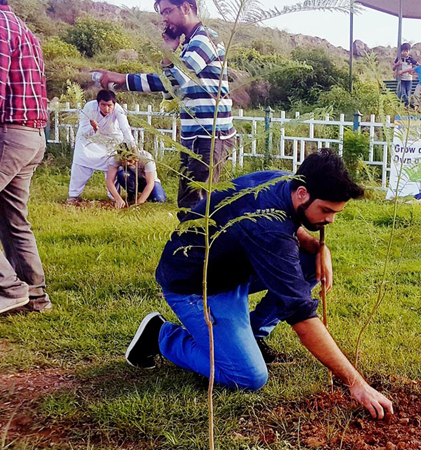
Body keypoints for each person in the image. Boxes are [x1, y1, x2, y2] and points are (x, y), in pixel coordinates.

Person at [125, 149, 394, 419]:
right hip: (197, 284)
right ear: (302, 193)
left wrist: (318, 247)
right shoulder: (268, 230)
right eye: (325, 210)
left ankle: (252, 334)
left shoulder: (284, 182)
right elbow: (302, 317)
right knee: (247, 376)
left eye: (336, 212)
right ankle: (160, 335)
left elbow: (285, 221)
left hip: (232, 266)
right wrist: (357, 383)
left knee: (309, 261)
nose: (330, 220)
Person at [92, 0, 235, 219]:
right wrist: (168, 53)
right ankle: (189, 249)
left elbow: (176, 79)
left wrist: (123, 79)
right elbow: (171, 93)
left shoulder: (206, 39)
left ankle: (200, 251)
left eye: (168, 11)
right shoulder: (189, 45)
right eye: (162, 14)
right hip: (194, 136)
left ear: (186, 7)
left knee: (197, 207)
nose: (164, 18)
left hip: (211, 135)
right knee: (188, 203)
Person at [0, 0, 51, 316]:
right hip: (31, 136)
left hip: (8, 134)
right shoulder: (20, 26)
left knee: (12, 218)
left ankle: (9, 288)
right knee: (12, 219)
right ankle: (35, 298)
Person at [67, 90, 135, 203]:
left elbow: (125, 128)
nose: (106, 109)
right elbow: (83, 129)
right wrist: (93, 129)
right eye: (103, 105)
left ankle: (114, 196)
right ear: (98, 103)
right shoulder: (89, 107)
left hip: (111, 139)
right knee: (80, 160)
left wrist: (133, 147)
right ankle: (74, 195)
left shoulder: (118, 110)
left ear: (114, 104)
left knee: (113, 162)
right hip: (89, 139)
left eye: (109, 105)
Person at [392, 43, 417, 107]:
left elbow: (418, 65)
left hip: (409, 79)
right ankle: (409, 105)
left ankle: (407, 106)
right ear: (401, 51)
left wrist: (413, 70)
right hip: (402, 79)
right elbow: (393, 68)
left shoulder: (411, 59)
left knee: (408, 93)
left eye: (406, 51)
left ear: (409, 51)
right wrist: (397, 64)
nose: (405, 52)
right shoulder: (399, 58)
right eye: (403, 51)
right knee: (403, 93)